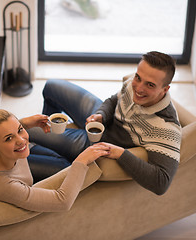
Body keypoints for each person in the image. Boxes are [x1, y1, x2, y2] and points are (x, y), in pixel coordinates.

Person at [27, 51, 181, 195]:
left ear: (165, 89)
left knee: (28, 129)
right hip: (104, 121)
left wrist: (121, 153)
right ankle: (48, 147)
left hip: (102, 142)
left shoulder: (165, 129)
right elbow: (114, 100)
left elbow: (161, 183)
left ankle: (54, 158)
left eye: (150, 85)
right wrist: (101, 115)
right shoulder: (134, 84)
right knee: (52, 87)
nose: (138, 88)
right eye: (138, 77)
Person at [0, 106, 112, 212]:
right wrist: (81, 161)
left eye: (20, 129)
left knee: (57, 159)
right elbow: (62, 202)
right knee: (64, 165)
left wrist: (26, 123)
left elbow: (8, 134)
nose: (21, 140)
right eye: (9, 138)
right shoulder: (4, 186)